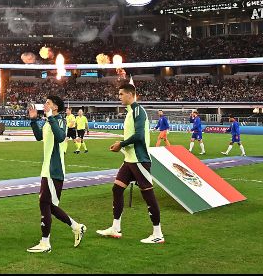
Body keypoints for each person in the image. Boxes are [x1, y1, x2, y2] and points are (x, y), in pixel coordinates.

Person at [97, 84, 164, 244]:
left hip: (139, 160)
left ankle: (158, 234)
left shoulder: (138, 111)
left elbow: (139, 136)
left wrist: (121, 143)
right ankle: (115, 227)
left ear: (130, 94)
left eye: (121, 94)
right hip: (129, 160)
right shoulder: (129, 112)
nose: (119, 97)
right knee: (117, 189)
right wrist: (122, 145)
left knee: (148, 195)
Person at [26, 96, 86, 253]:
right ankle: (76, 227)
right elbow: (39, 137)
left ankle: (45, 242)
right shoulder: (49, 120)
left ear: (56, 108)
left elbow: (60, 137)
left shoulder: (60, 120)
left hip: (55, 170)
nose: (45, 105)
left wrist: (50, 118)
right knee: (49, 205)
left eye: (48, 103)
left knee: (44, 203)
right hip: (47, 169)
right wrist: (33, 120)